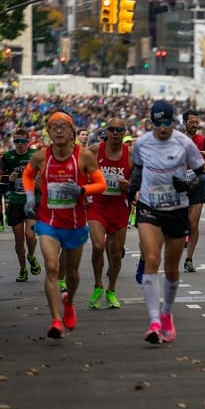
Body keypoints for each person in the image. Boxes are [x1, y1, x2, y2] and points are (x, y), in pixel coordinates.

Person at [22, 111, 107, 339]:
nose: (58, 131)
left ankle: (68, 301)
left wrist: (82, 190)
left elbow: (101, 184)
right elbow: (28, 175)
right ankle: (56, 320)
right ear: (48, 133)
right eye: (53, 127)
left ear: (72, 132)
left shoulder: (84, 156)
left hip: (75, 223)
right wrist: (30, 197)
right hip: (48, 221)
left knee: (72, 273)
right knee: (51, 266)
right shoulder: (41, 156)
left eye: (63, 127)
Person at [128, 101, 205, 344]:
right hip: (149, 207)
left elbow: (203, 173)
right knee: (152, 259)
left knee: (171, 269)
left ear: (173, 122)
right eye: (157, 123)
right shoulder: (141, 143)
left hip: (177, 208)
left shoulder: (184, 143)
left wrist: (190, 185)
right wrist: (131, 191)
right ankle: (153, 322)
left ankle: (166, 313)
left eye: (166, 123)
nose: (162, 128)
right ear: (151, 122)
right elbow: (138, 170)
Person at [86, 118, 132, 309]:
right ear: (106, 131)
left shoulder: (132, 155)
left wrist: (129, 186)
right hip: (98, 204)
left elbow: (140, 181)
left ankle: (111, 290)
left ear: (124, 132)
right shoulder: (95, 150)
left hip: (119, 206)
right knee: (98, 246)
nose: (115, 133)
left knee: (116, 253)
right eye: (111, 129)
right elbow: (79, 166)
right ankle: (98, 285)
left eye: (118, 130)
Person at [0, 129, 41, 283]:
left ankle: (31, 255)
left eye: (23, 141)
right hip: (15, 201)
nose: (20, 145)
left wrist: (38, 181)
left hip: (31, 201)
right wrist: (8, 177)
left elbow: (44, 174)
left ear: (28, 141)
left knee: (30, 235)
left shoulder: (36, 155)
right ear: (13, 142)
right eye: (17, 142)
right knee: (19, 239)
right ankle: (23, 268)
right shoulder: (8, 156)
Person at [181, 110, 205, 273]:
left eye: (197, 122)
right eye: (192, 122)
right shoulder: (176, 139)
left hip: (197, 185)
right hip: (179, 186)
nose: (195, 125)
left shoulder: (203, 140)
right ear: (184, 122)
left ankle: (189, 258)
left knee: (193, 223)